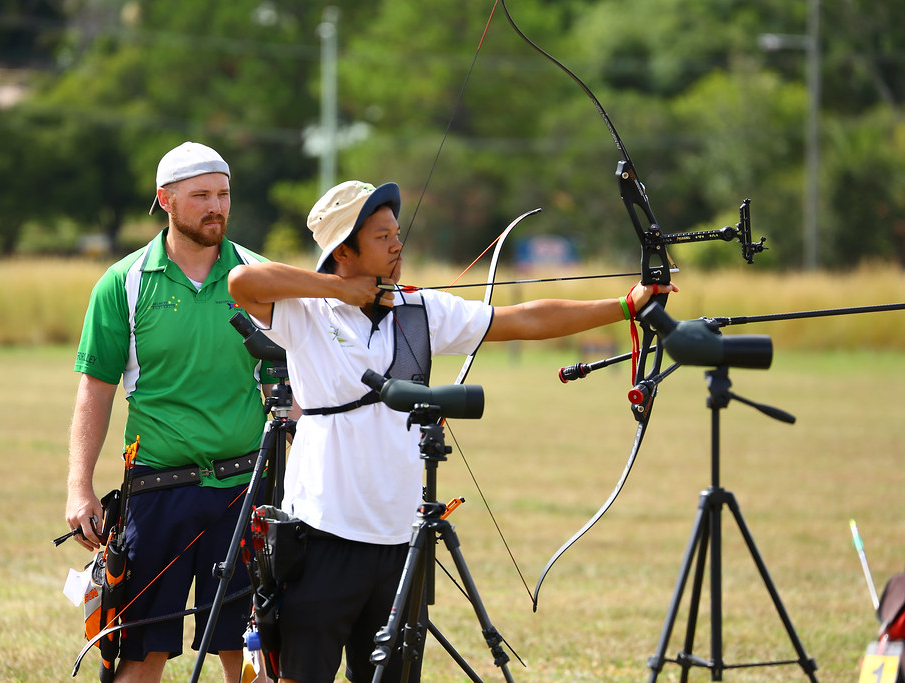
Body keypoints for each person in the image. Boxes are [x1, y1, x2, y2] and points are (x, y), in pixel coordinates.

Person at [227, 179, 679, 683]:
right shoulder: (303, 312)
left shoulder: (420, 309)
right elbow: (242, 282)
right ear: (344, 251)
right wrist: (339, 289)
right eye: (381, 236)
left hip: (402, 538)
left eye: (397, 233)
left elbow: (523, 320)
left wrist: (625, 304)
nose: (397, 245)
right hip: (322, 531)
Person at [65, 141, 275, 683]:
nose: (216, 207)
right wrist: (79, 487)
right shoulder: (124, 282)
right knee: (141, 655)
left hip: (245, 489)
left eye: (223, 194)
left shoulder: (259, 275)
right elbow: (95, 390)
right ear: (166, 199)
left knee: (252, 655)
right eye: (201, 195)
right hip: (157, 491)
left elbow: (295, 381)